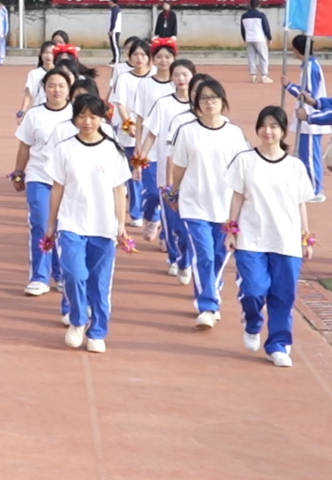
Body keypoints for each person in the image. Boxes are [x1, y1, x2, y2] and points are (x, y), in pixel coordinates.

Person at [226, 106, 317, 368]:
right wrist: (231, 230)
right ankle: (253, 322)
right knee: (254, 289)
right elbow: (238, 196)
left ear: (283, 130)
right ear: (257, 128)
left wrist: (305, 236)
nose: (268, 131)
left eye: (274, 126)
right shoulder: (245, 161)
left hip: (286, 240)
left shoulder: (295, 166)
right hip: (252, 237)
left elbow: (301, 203)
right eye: (263, 125)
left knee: (283, 295)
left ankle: (278, 345)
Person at [44, 94, 132, 354]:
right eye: (81, 115)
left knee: (99, 282)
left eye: (93, 116)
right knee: (73, 273)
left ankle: (97, 331)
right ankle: (78, 319)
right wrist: (51, 223)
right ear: (74, 118)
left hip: (103, 225)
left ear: (102, 118)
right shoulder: (64, 149)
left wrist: (121, 225)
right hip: (71, 222)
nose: (87, 121)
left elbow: (119, 190)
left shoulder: (112, 149)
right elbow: (58, 187)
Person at [169, 79, 251, 329]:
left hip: (225, 207)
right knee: (203, 254)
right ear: (197, 104)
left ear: (223, 101)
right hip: (195, 204)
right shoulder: (187, 131)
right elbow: (179, 166)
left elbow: (243, 169)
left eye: (214, 97)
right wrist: (174, 193)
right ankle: (207, 305)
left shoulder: (234, 133)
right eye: (204, 98)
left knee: (219, 254)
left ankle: (212, 289)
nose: (209, 102)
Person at [134, 59, 198, 283]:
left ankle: (186, 260)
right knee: (172, 221)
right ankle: (174, 256)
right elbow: (151, 132)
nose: (181, 79)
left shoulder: (201, 106)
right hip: (166, 172)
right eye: (177, 74)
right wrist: (141, 156)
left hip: (193, 176)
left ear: (193, 77)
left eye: (185, 74)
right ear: (171, 78)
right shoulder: (163, 104)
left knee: (188, 221)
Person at [12, 69, 73, 297]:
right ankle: (39, 276)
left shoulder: (77, 114)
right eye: (51, 85)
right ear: (44, 89)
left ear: (68, 88)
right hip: (40, 177)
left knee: (63, 226)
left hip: (68, 182)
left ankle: (60, 273)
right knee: (40, 224)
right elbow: (24, 146)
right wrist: (19, 172)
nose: (56, 90)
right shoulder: (34, 115)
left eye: (61, 85)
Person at [129, 38, 176, 239]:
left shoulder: (179, 83)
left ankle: (167, 234)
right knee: (154, 192)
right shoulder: (145, 85)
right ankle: (152, 216)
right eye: (159, 57)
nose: (164, 61)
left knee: (170, 193)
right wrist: (139, 145)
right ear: (153, 60)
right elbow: (139, 117)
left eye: (168, 57)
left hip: (174, 148)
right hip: (151, 148)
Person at [110, 39, 155, 227]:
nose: (139, 58)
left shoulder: (155, 77)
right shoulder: (124, 77)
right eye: (136, 54)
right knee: (132, 172)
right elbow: (119, 102)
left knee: (151, 174)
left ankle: (152, 212)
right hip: (128, 133)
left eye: (143, 55)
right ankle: (136, 211)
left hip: (151, 133)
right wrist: (128, 124)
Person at [284, 34, 328, 201]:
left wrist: (289, 86)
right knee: (307, 154)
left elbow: (307, 94)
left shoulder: (310, 67)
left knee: (309, 155)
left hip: (311, 118)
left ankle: (315, 190)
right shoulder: (310, 64)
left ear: (297, 50)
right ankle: (311, 188)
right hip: (310, 117)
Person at [18, 42, 57, 120]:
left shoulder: (60, 73)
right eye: (46, 53)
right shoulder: (34, 74)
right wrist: (22, 111)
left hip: (56, 112)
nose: (48, 56)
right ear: (41, 54)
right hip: (38, 112)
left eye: (52, 53)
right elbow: (28, 95)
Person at [241, 0, 273, 83]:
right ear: (259, 5)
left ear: (250, 5)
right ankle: (264, 76)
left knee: (251, 57)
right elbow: (266, 27)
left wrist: (244, 38)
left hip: (249, 38)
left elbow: (242, 29)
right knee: (263, 57)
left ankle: (253, 75)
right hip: (259, 38)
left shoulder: (244, 16)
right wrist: (269, 38)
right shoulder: (261, 15)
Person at [107, 0, 123, 65]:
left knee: (115, 45)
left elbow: (114, 20)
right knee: (113, 45)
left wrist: (111, 30)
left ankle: (117, 60)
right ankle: (114, 59)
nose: (108, 2)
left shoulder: (115, 9)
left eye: (109, 1)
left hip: (115, 30)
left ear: (112, 1)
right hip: (115, 30)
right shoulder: (114, 9)